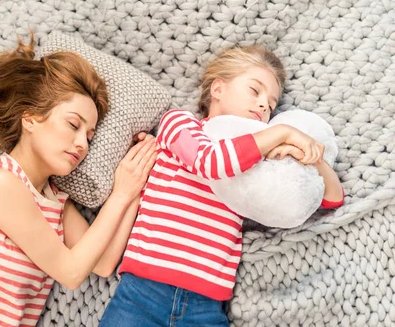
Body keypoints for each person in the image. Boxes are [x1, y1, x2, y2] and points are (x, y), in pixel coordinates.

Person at [0, 36, 158, 327]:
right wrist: (120, 196)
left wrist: (133, 186)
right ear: (30, 119)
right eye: (73, 125)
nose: (82, 145)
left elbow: (101, 264)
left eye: (89, 137)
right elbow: (71, 272)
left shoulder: (54, 202)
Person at [99, 46, 345, 327]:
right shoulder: (180, 123)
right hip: (142, 294)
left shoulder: (260, 160)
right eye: (255, 91)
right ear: (218, 89)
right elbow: (210, 163)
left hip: (205, 307)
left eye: (272, 104)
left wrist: (312, 157)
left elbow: (330, 200)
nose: (265, 105)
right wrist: (281, 132)